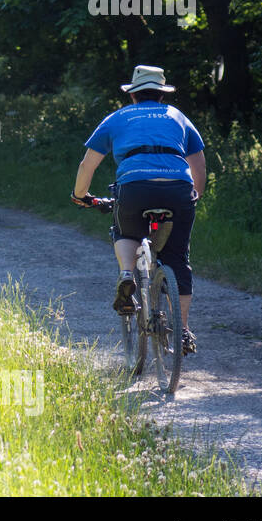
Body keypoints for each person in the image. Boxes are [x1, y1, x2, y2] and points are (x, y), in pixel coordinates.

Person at [70, 65, 206, 356]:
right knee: (178, 259)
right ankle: (182, 331)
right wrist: (194, 195)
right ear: (161, 95)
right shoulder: (177, 116)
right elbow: (199, 164)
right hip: (178, 189)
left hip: (134, 188)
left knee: (126, 229)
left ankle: (128, 273)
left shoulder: (117, 117)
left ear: (133, 95)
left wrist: (80, 195)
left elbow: (87, 164)